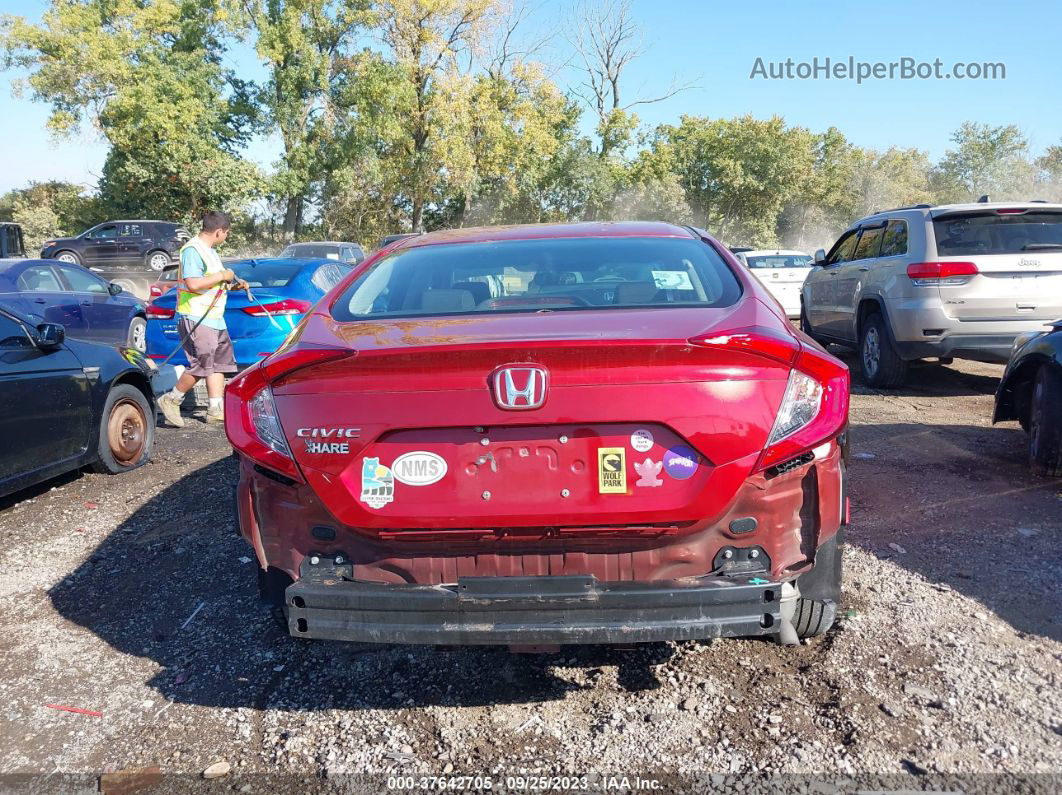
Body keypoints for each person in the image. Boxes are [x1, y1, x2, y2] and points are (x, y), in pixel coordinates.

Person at [157, 211, 242, 427]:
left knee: (219, 363)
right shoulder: (193, 250)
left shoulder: (210, 252)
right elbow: (194, 283)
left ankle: (215, 408)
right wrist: (223, 276)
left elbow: (211, 281)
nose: (227, 237)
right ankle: (171, 399)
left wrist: (233, 283)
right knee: (203, 363)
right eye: (227, 233)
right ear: (219, 231)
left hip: (215, 317)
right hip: (196, 315)